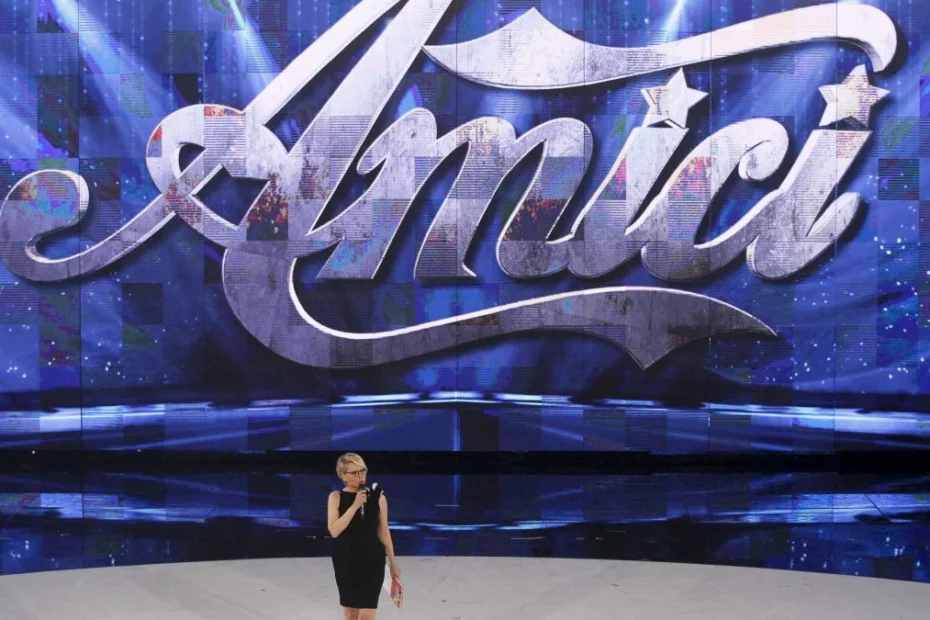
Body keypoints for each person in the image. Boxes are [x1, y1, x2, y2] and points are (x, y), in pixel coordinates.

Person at [328, 453, 402, 619]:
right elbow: (334, 530)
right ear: (343, 476)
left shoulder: (378, 498)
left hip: (372, 559)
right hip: (345, 559)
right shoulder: (335, 497)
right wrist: (355, 506)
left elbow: (384, 531)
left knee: (368, 613)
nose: (360, 476)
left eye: (363, 471)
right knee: (351, 613)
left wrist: (393, 563)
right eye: (355, 473)